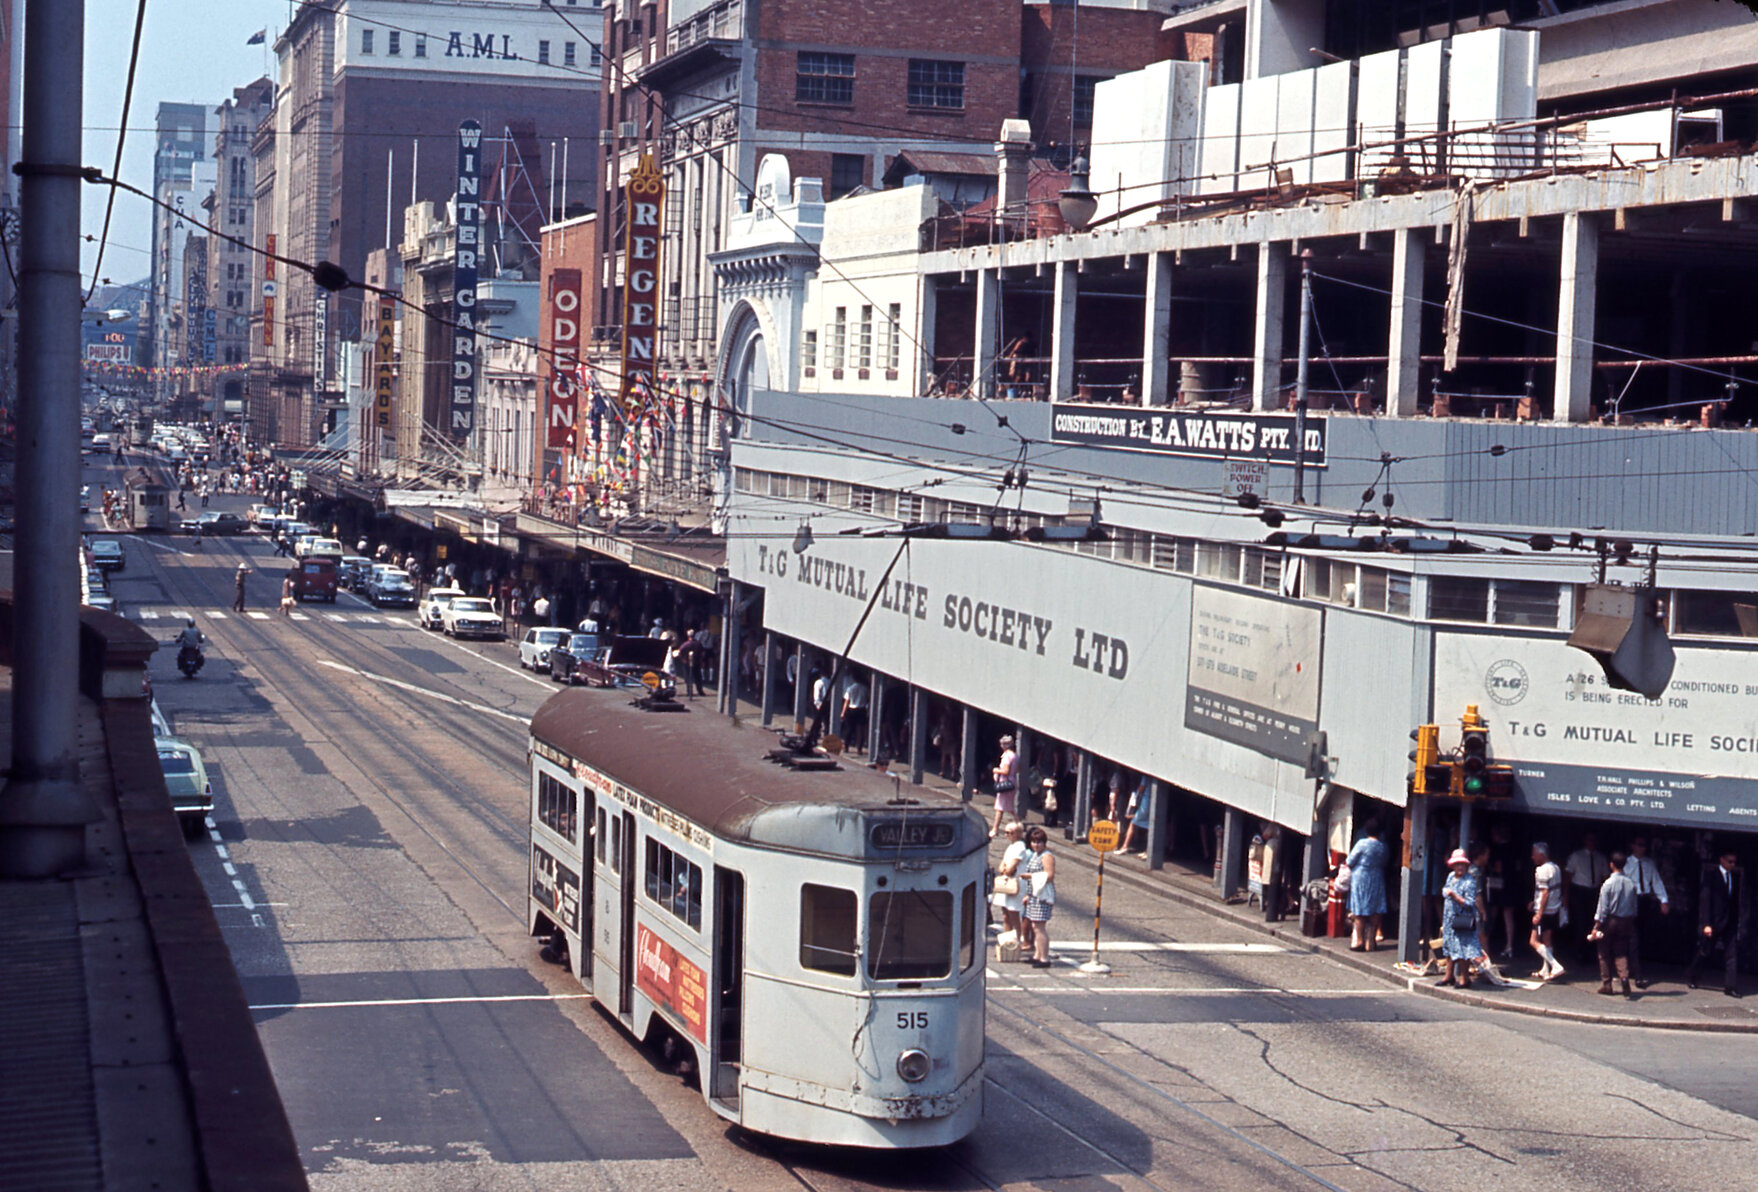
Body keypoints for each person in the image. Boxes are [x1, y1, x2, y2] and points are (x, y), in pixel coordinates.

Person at [1686, 848, 1743, 997]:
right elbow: (1706, 900)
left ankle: (1730, 986)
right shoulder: (1711, 876)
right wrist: (1706, 923)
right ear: (1722, 860)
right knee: (1705, 950)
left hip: (1729, 921)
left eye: (1734, 862)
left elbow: (1734, 901)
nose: (1732, 864)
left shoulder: (1734, 878)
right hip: (1714, 921)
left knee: (1732, 954)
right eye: (1730, 861)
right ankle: (1693, 974)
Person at [1624, 836, 1670, 988]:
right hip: (1630, 900)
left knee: (1640, 936)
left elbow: (1656, 881)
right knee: (1633, 937)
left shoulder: (1649, 864)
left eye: (1644, 845)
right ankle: (1637, 974)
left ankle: (1631, 966)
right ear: (1633, 846)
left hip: (1644, 900)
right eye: (1639, 845)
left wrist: (1663, 899)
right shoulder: (1626, 863)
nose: (1642, 848)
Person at [1592, 852, 1639, 997]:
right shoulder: (1631, 884)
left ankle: (1607, 985)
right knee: (1621, 952)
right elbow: (1634, 907)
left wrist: (1596, 926)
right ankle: (1624, 977)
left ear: (1611, 865)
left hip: (1610, 921)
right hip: (1626, 921)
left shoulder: (1608, 884)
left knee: (1604, 952)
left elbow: (1603, 908)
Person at [1440, 849, 1483, 988]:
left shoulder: (1469, 881)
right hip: (1449, 917)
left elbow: (1470, 902)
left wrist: (1455, 896)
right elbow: (1445, 889)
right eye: (1457, 864)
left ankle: (1465, 978)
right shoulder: (1451, 876)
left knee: (1464, 949)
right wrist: (1446, 893)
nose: (1459, 867)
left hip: (1462, 919)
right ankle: (1448, 975)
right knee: (1449, 946)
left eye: (1462, 865)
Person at [1344, 820, 1389, 952]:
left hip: (1361, 876)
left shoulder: (1361, 843)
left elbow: (1350, 860)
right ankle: (1371, 940)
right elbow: (1385, 861)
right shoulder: (1382, 846)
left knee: (1359, 908)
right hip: (1377, 876)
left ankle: (1359, 940)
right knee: (1375, 907)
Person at [1566, 833, 1610, 962]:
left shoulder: (1600, 858)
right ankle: (1578, 952)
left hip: (1593, 891)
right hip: (1579, 890)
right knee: (1580, 922)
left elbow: (1605, 877)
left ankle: (1589, 951)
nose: (1591, 842)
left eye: (1593, 840)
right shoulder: (1576, 856)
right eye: (1589, 840)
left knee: (1593, 922)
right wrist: (1566, 896)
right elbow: (1568, 875)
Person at [1020, 826, 1057, 968]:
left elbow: (1049, 875)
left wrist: (1029, 876)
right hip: (1035, 895)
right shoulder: (1035, 855)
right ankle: (1037, 955)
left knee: (1039, 926)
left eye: (1039, 842)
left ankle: (1044, 958)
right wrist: (1028, 895)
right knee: (1035, 926)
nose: (1036, 844)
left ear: (1044, 843)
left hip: (1043, 896)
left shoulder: (1046, 856)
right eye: (1034, 842)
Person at [1530, 842, 1567, 981]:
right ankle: (1545, 969)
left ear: (1541, 854)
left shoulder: (1542, 870)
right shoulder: (1556, 868)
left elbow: (1545, 892)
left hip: (1544, 911)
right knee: (1547, 938)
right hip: (1553, 909)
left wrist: (1539, 912)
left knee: (1533, 941)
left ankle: (1555, 966)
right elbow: (1552, 889)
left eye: (1534, 853)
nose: (1532, 856)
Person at [993, 822, 1029, 958]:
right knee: (1005, 914)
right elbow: (1002, 864)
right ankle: (1007, 943)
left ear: (1019, 834)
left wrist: (1005, 869)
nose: (1007, 835)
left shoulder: (1020, 847)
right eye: (1006, 832)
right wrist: (1003, 868)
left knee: (1014, 914)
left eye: (1010, 832)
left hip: (1015, 884)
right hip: (1007, 883)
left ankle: (1018, 941)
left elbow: (1011, 867)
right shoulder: (1011, 846)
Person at [990, 734, 1019, 839]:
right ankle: (1019, 824)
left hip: (1005, 783)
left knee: (1000, 807)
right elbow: (1018, 769)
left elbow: (1006, 771)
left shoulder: (1006, 756)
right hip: (1012, 782)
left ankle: (995, 829)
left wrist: (996, 770)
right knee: (1009, 807)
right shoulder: (1015, 756)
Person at [1120, 780, 1154, 858]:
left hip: (1145, 802)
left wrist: (1136, 794)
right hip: (1152, 802)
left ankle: (1125, 846)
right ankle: (1147, 851)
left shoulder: (1146, 776)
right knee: (1150, 826)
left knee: (1133, 823)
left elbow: (1141, 788)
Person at [674, 629, 707, 697]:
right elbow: (703, 653)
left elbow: (679, 652)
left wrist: (682, 659)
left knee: (688, 678)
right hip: (697, 662)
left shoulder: (685, 644)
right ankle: (700, 691)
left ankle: (689, 692)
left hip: (687, 663)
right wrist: (701, 661)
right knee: (698, 677)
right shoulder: (698, 644)